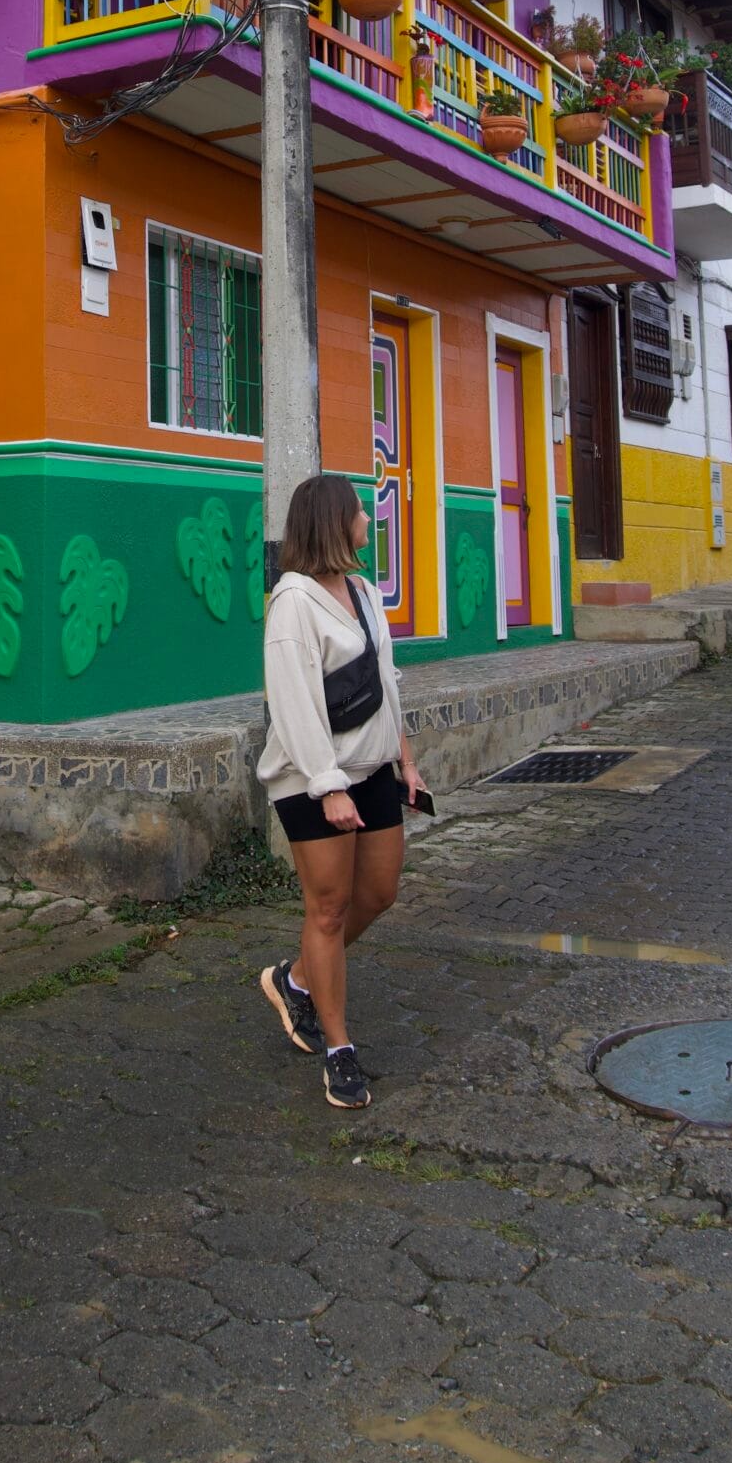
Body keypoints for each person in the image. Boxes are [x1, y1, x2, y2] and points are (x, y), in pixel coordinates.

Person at [256, 472, 424, 1110]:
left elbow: (385, 680)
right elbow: (294, 705)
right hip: (311, 779)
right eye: (359, 510)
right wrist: (327, 786)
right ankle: (338, 1049)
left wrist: (406, 760)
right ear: (334, 521)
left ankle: (295, 978)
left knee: (378, 893)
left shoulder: (363, 591)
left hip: (373, 769)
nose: (367, 518)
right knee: (327, 910)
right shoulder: (292, 602)